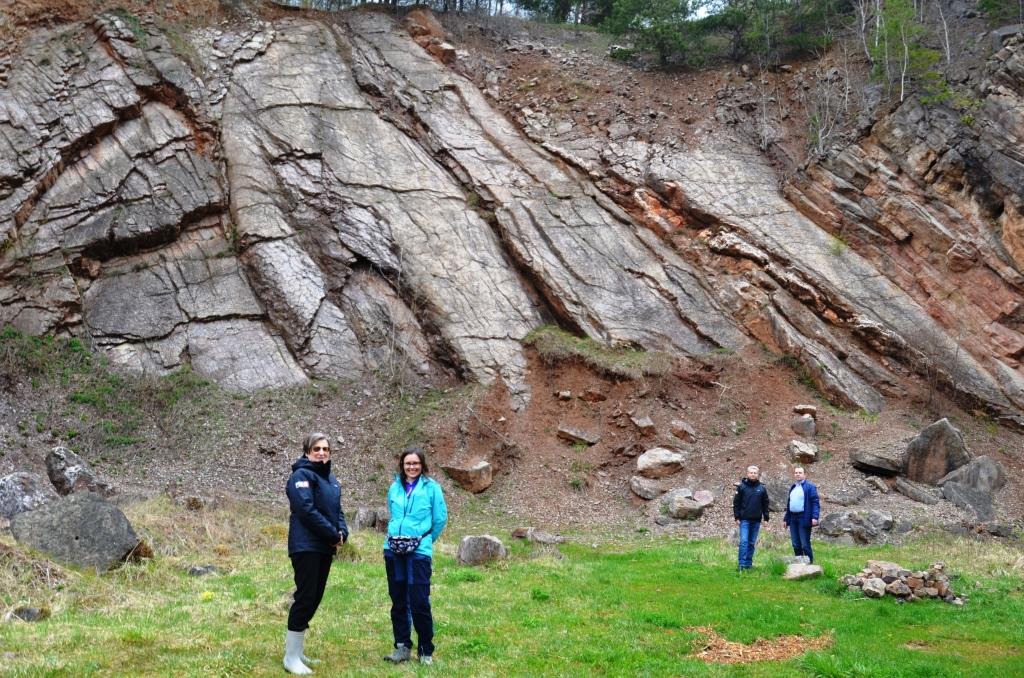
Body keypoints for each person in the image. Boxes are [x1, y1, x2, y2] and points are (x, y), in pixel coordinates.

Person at [284, 432, 348, 675]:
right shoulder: (300, 476)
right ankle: (290, 658)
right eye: (316, 448)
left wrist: (342, 531)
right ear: (307, 451)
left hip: (324, 547)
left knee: (316, 597)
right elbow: (306, 510)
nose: (321, 452)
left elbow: (337, 510)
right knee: (306, 596)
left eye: (325, 449)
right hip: (305, 546)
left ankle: (298, 652)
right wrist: (332, 534)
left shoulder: (330, 479)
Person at [383, 447, 448, 666]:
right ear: (402, 465)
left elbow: (440, 519)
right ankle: (402, 646)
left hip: (419, 552)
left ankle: (425, 650)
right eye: (408, 463)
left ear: (422, 465)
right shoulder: (394, 487)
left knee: (419, 600)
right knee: (398, 598)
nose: (412, 467)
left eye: (416, 463)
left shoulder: (432, 489)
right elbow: (393, 515)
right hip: (393, 550)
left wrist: (425, 540)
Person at [733, 465, 770, 571]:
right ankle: (741, 564)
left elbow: (765, 504)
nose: (753, 474)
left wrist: (766, 518)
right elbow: (736, 503)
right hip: (744, 520)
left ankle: (748, 564)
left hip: (756, 520)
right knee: (744, 542)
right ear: (747, 474)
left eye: (755, 473)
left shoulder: (762, 488)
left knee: (751, 543)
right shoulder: (741, 487)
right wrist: (737, 517)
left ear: (758, 474)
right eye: (751, 472)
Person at [783, 466, 820, 564]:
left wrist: (815, 517)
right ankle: (799, 564)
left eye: (800, 472)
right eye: (796, 473)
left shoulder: (810, 487)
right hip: (793, 518)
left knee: (805, 544)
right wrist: (786, 519)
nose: (798, 474)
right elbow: (789, 504)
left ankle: (810, 565)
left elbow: (815, 502)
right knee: (795, 544)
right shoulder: (793, 487)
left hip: (804, 518)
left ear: (805, 475)